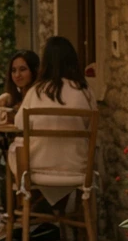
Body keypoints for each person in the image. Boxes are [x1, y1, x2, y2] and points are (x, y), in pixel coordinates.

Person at [8, 37, 97, 189]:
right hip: (77, 168)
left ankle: (28, 204)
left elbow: (19, 124)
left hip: (38, 168)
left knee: (13, 149)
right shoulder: (85, 91)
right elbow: (91, 125)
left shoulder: (36, 91)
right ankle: (63, 208)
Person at [0, 49, 40, 114]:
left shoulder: (40, 96)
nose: (17, 75)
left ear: (34, 71)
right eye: (13, 70)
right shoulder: (11, 98)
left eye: (22, 69)